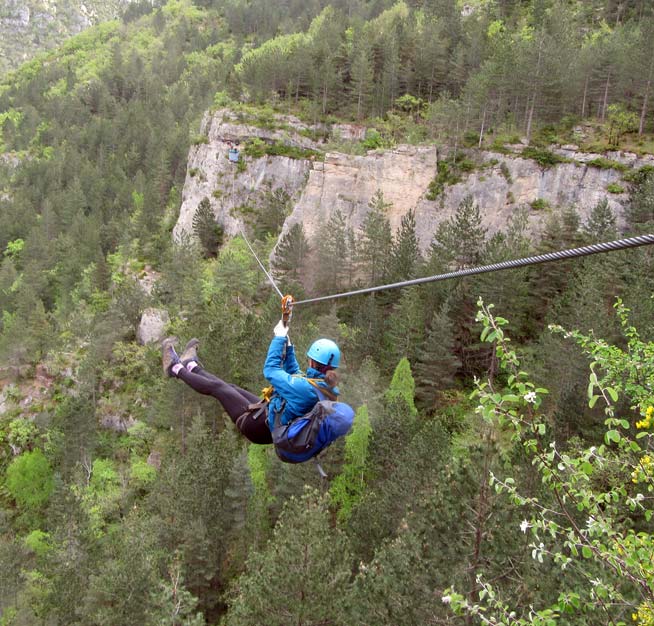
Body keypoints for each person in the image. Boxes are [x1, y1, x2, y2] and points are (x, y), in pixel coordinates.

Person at [161, 319, 353, 461]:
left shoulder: (306, 390)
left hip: (257, 427)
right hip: (267, 417)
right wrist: (287, 342)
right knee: (230, 388)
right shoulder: (322, 386)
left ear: (312, 360)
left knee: (218, 389)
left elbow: (271, 370)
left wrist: (278, 338)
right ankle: (191, 365)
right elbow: (295, 373)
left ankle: (174, 369)